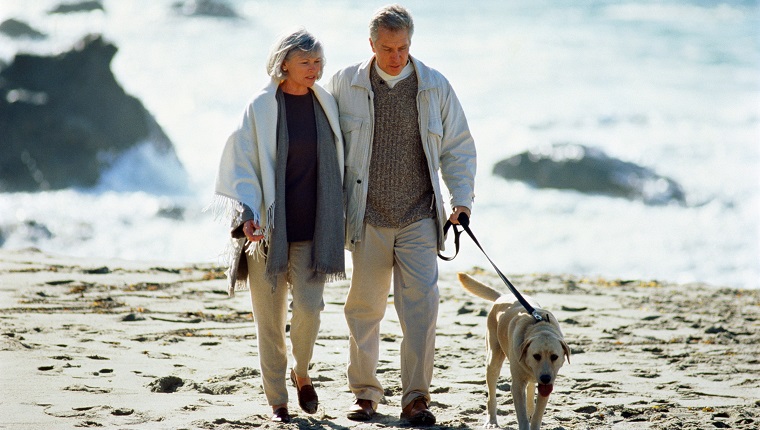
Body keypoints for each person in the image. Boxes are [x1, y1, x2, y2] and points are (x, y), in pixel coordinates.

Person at [326, 4, 476, 426]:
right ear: (371, 44)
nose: (397, 57)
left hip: (419, 216)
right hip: (368, 216)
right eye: (388, 48)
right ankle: (365, 394)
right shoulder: (345, 83)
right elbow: (326, 145)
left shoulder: (434, 86)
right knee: (364, 309)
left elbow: (458, 147)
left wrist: (461, 199)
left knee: (421, 310)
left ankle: (416, 399)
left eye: (403, 47)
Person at [210, 28, 345, 424]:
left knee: (309, 309)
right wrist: (249, 214)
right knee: (268, 321)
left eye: (319, 62)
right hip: (268, 234)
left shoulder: (327, 105)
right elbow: (242, 164)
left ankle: (301, 369)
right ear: (284, 63)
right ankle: (277, 400)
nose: (315, 70)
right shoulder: (262, 107)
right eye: (306, 63)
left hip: (314, 230)